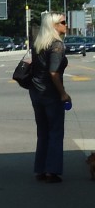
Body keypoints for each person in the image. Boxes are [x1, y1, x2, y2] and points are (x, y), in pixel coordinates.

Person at [29, 12, 71, 183]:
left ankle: (40, 169)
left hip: (36, 92)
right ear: (54, 26)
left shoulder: (39, 44)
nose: (65, 25)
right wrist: (63, 93)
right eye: (62, 22)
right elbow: (53, 72)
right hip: (51, 93)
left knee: (43, 132)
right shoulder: (57, 46)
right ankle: (51, 171)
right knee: (55, 132)